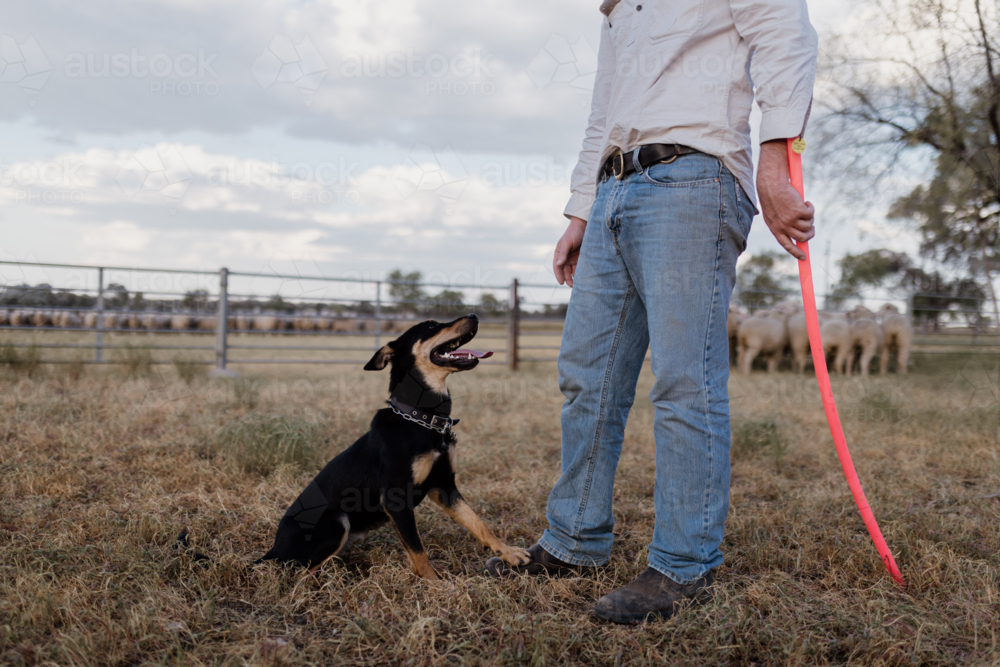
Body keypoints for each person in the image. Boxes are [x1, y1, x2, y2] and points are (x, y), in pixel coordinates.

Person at [484, 0, 818, 623]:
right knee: (588, 377)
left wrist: (775, 164)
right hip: (614, 188)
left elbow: (785, 35)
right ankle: (574, 540)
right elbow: (602, 108)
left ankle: (684, 564)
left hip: (693, 180)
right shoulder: (615, 7)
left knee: (684, 382)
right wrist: (581, 211)